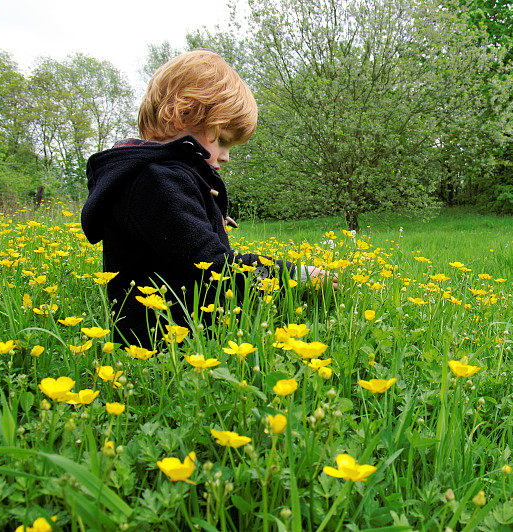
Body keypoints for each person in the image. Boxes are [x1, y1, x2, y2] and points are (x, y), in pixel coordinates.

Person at [80, 50, 336, 348]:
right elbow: (212, 266)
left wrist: (209, 218)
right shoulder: (156, 180)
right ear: (183, 113)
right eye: (224, 140)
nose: (226, 157)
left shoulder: (157, 178)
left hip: (180, 335)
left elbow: (177, 243)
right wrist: (293, 276)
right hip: (164, 347)